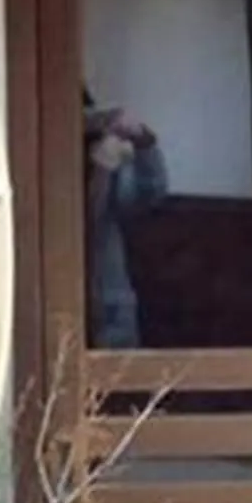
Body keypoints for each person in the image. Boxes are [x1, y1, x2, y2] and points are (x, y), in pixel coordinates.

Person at [84, 87, 168, 349]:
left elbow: (150, 193)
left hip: (112, 302)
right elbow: (81, 225)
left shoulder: (107, 150)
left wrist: (144, 141)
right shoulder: (41, 159)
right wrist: (100, 171)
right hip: (65, 301)